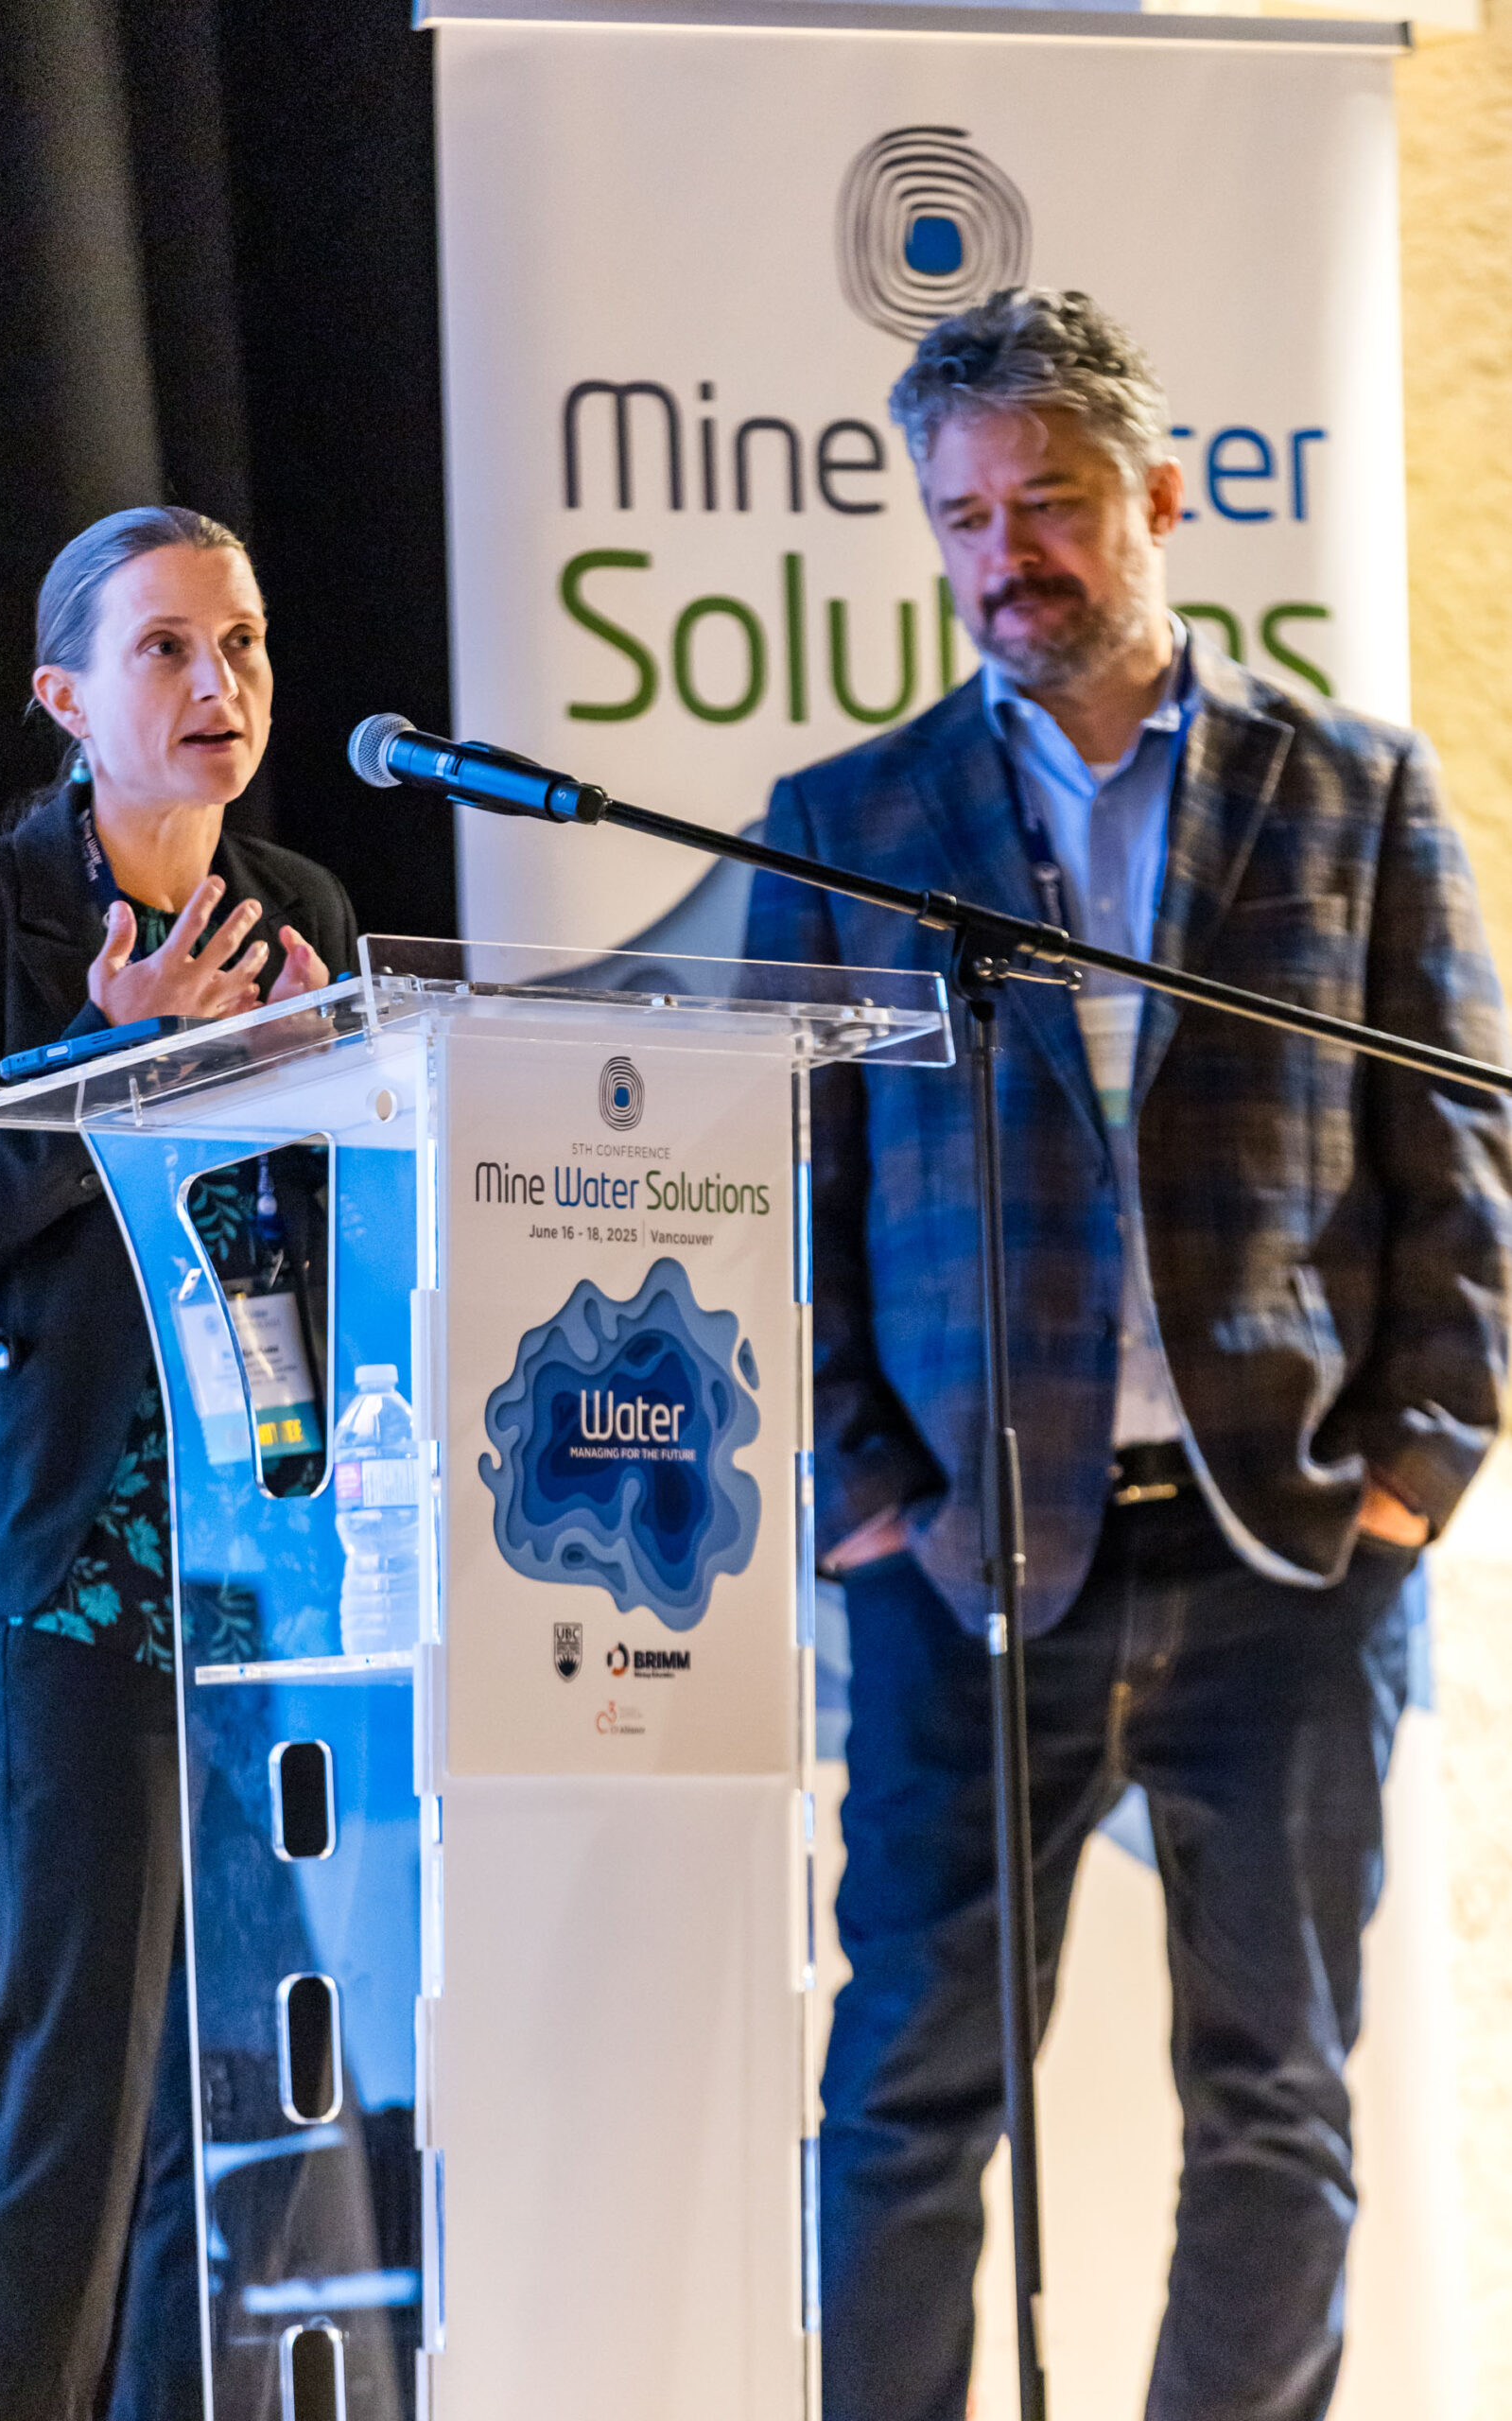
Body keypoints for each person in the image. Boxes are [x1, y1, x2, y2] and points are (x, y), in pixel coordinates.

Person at [745, 288, 1512, 2421]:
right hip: (963, 1562)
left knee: (1275, 2096)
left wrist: (1408, 1481)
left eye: (1055, 503)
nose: (1011, 556)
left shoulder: (1352, 789)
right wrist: (865, 1498)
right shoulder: (841, 820)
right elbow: (783, 1211)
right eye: (967, 516)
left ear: (1161, 498)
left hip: (1288, 1555)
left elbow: (1459, 1170)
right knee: (904, 2099)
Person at [0, 505, 357, 2421]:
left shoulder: (301, 909)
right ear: (66, 695)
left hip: (273, 1542)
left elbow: (340, 1212)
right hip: (78, 1549)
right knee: (76, 2085)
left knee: (234, 2088)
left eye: (238, 643)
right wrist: (111, 1066)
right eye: (165, 647)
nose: (216, 681)